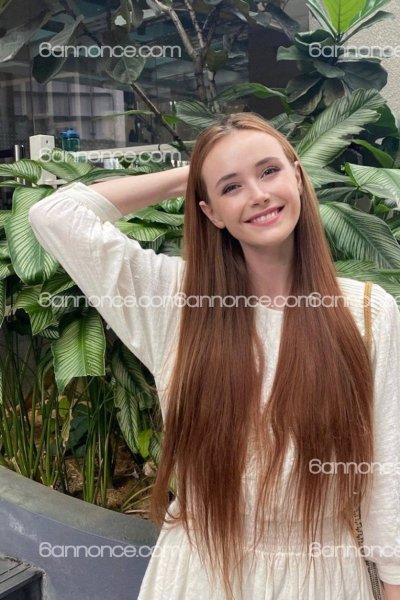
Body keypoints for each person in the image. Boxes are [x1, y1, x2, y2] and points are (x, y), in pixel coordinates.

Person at [28, 113, 400, 600]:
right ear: (210, 212)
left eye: (269, 171)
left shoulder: (366, 312)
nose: (258, 194)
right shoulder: (175, 303)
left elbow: (387, 470)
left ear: (298, 176)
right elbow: (56, 215)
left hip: (322, 575)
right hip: (200, 573)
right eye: (231, 187)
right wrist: (193, 173)